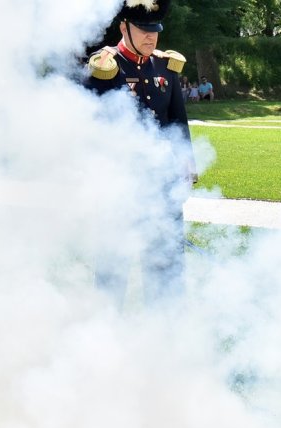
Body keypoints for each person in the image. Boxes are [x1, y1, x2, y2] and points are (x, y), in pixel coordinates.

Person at [85, 0, 196, 305]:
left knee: (166, 261)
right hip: (120, 183)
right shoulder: (106, 67)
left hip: (162, 182)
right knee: (114, 262)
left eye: (155, 31)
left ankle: (166, 326)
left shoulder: (166, 66)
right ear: (124, 28)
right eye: (143, 30)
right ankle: (105, 328)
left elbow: (177, 121)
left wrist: (186, 167)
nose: (151, 37)